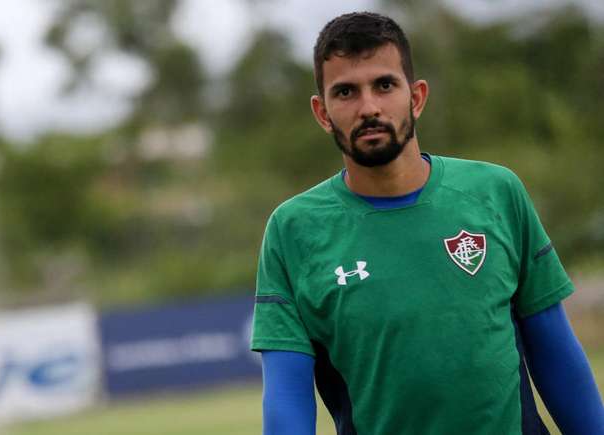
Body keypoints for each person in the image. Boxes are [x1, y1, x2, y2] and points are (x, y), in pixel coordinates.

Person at [250, 11, 604, 435]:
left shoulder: (496, 192)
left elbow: (557, 355)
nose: (369, 107)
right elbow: (286, 398)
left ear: (415, 97)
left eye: (384, 85)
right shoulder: (293, 231)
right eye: (345, 92)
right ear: (322, 112)